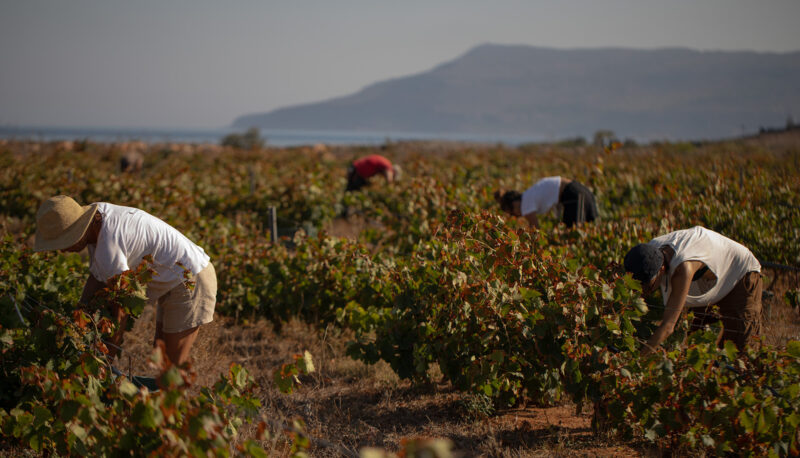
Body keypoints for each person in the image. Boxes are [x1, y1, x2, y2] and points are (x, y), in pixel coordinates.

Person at [34, 195, 216, 366]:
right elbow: (97, 276)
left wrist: (106, 361)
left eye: (65, 242)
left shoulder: (109, 244)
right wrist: (79, 311)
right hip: (175, 277)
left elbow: (121, 310)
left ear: (80, 229)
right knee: (161, 358)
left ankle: (176, 397)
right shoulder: (99, 218)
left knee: (171, 368)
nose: (63, 250)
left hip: (191, 279)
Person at [624, 226, 762, 353]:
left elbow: (668, 326)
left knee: (741, 347)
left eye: (647, 286)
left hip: (741, 273)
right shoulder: (647, 252)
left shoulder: (683, 268)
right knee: (695, 340)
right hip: (707, 277)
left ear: (662, 269)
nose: (642, 291)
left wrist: (640, 358)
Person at [495, 176, 598, 228]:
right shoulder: (529, 195)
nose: (516, 216)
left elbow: (535, 230)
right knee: (582, 229)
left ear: (514, 204)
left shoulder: (525, 205)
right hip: (578, 190)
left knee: (574, 233)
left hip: (575, 194)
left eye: (512, 213)